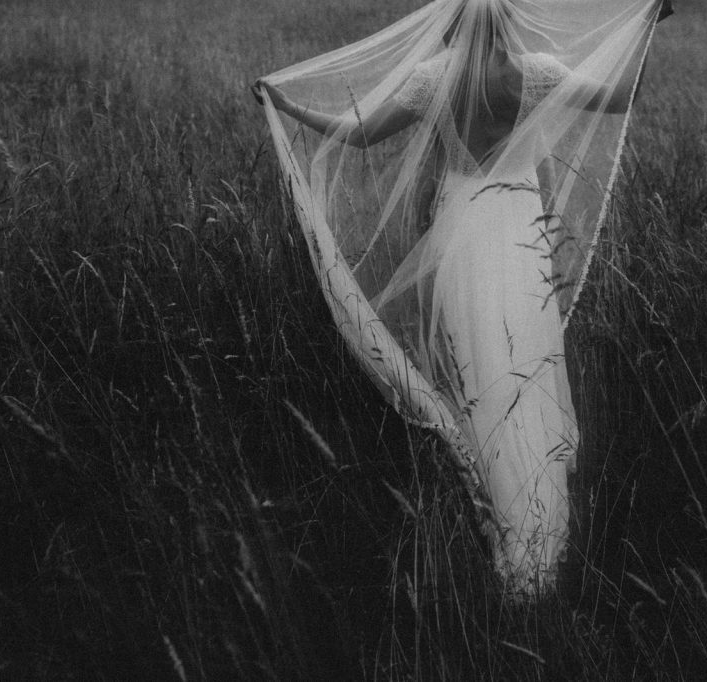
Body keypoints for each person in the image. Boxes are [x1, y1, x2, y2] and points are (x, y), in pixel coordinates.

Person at [255, 0, 670, 596]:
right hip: (519, 231)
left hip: (460, 237)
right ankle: (533, 527)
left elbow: (360, 133)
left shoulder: (435, 78)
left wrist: (287, 103)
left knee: (475, 371)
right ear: (509, 17)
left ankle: (489, 505)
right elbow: (622, 96)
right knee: (524, 364)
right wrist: (648, 23)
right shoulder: (536, 72)